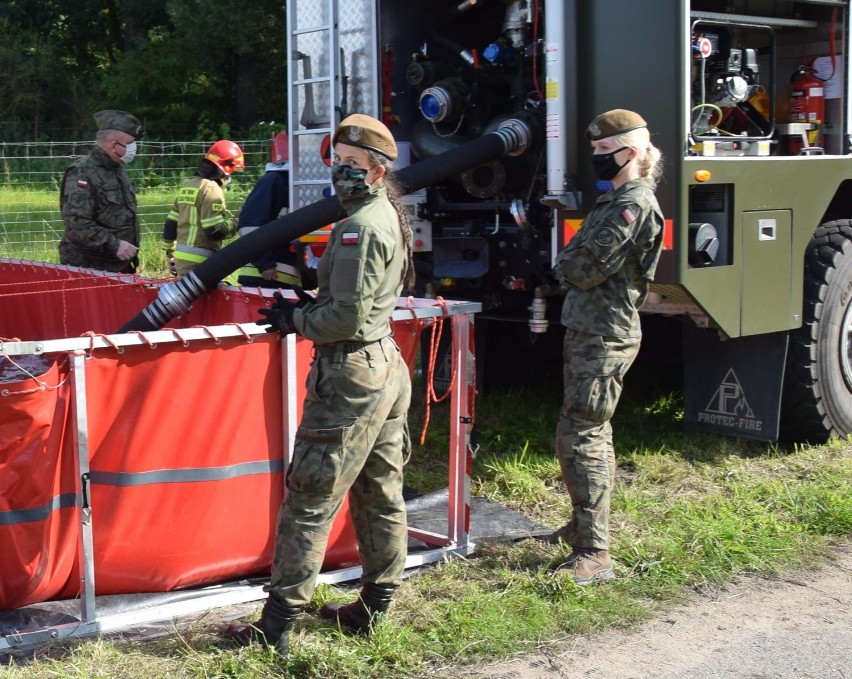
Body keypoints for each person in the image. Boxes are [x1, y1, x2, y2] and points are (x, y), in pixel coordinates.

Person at [227, 113, 416, 659]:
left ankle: (278, 623)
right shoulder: (383, 216)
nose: (342, 174)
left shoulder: (359, 228)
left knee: (311, 495)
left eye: (355, 166)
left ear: (379, 172)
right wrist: (312, 305)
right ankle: (376, 605)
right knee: (380, 487)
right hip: (384, 366)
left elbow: (345, 319)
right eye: (338, 162)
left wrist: (296, 321)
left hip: (351, 373)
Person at [548, 109, 665, 585]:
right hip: (590, 330)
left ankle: (594, 552)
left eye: (602, 151)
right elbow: (576, 259)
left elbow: (580, 267)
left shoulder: (630, 206)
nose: (595, 158)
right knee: (580, 431)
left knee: (584, 436)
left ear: (631, 153)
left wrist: (565, 260)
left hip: (604, 334)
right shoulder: (617, 200)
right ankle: (581, 525)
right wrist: (568, 258)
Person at [59, 109, 143, 273]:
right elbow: (77, 222)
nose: (134, 148)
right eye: (130, 143)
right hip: (89, 268)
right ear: (114, 145)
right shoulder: (82, 172)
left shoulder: (116, 169)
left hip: (118, 266)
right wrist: (114, 244)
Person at [161, 140, 244, 278]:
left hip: (182, 261)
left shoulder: (189, 185)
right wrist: (238, 221)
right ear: (227, 168)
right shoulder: (211, 189)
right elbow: (214, 230)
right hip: (202, 264)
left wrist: (170, 253)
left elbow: (170, 224)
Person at [235, 130, 302, 288]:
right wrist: (265, 262)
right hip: (266, 276)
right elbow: (249, 226)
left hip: (284, 277)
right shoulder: (274, 181)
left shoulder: (294, 183)